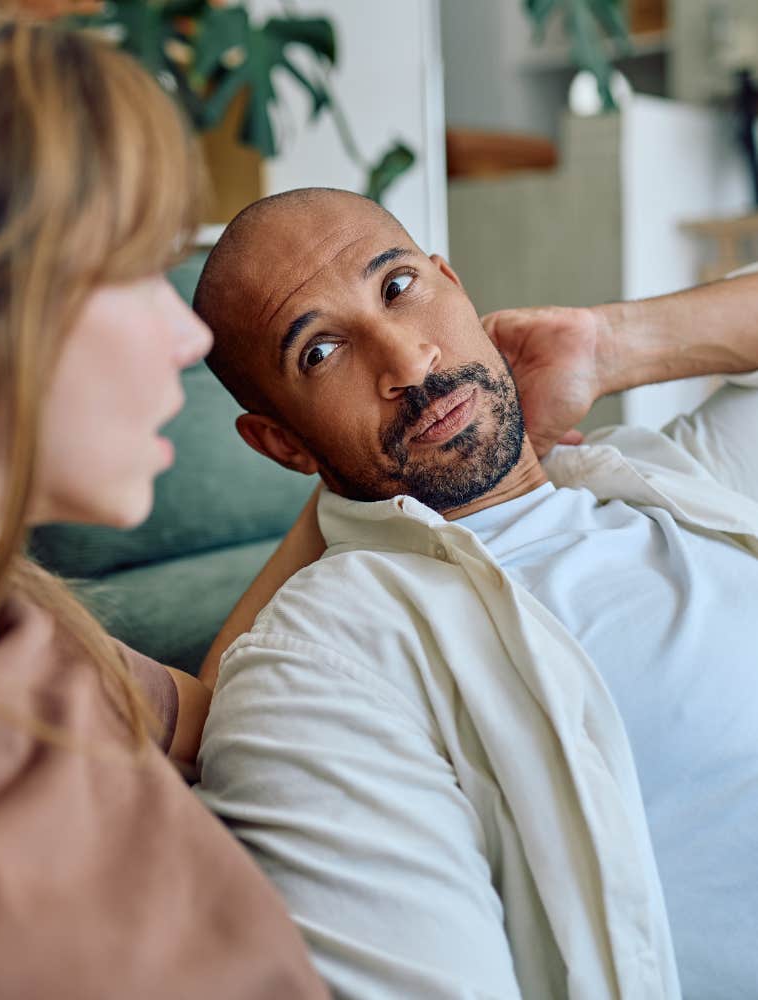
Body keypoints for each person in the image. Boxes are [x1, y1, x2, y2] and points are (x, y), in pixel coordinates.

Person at [192, 187, 758, 999]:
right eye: (320, 352)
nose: (408, 362)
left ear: (453, 283)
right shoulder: (328, 658)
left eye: (397, 287)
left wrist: (606, 345)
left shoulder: (672, 476)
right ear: (280, 441)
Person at [0, 5, 330, 996]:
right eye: (141, 270)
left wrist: (346, 490)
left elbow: (222, 720)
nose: (192, 341)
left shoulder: (21, 624)